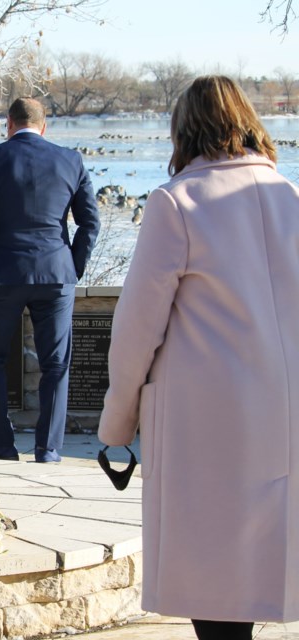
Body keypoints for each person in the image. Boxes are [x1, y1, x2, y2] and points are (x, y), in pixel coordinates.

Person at [99, 76, 299, 640]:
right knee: (264, 560)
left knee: (211, 571)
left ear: (184, 129)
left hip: (207, 414)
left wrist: (117, 423)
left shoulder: (176, 202)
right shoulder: (289, 196)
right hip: (283, 408)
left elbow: (138, 328)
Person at [0, 97, 100, 464]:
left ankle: (1, 444)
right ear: (44, 126)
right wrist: (73, 266)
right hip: (56, 273)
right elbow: (90, 222)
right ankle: (48, 449)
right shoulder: (70, 159)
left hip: (1, 273)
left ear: (9, 123)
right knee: (55, 363)